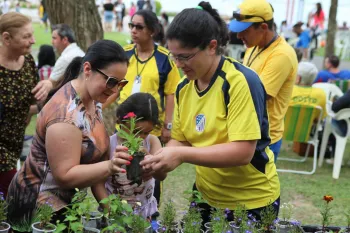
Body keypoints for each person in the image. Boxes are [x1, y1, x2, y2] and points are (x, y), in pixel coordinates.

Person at [141, 1, 280, 222]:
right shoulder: (183, 87)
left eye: (185, 57)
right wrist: (159, 161)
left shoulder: (239, 81)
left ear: (212, 46)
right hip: (206, 195)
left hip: (250, 201)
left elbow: (243, 152)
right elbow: (181, 140)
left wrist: (180, 155)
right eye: (173, 56)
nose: (178, 64)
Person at [7, 40, 130, 227]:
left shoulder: (92, 99)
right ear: (87, 69)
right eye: (111, 81)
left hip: (66, 206)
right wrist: (110, 166)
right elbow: (65, 175)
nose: (115, 90)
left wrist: (113, 214)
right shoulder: (65, 116)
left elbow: (95, 168)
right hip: (39, 209)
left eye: (121, 83)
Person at [103, 9, 181, 209]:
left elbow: (171, 94)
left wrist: (168, 125)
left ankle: (148, 211)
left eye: (139, 26)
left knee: (149, 173)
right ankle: (119, 208)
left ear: (153, 30)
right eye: (131, 25)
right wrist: (99, 107)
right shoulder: (125, 54)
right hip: (126, 126)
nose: (133, 30)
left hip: (150, 127)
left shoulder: (165, 59)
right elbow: (116, 86)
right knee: (120, 174)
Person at [229, 0, 298, 160]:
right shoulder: (253, 46)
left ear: (263, 27)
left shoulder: (282, 55)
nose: (239, 36)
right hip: (245, 131)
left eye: (244, 31)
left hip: (265, 139)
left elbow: (257, 95)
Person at [0, 12, 50, 197]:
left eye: (32, 34)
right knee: (16, 196)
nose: (33, 40)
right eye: (27, 36)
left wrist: (47, 85)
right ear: (7, 38)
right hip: (1, 152)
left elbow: (32, 103)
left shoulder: (28, 61)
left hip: (15, 145)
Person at [98, 93, 166, 219]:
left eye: (146, 133)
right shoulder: (109, 144)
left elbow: (162, 176)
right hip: (116, 211)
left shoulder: (152, 141)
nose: (140, 137)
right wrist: (110, 212)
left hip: (144, 211)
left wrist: (149, 158)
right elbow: (97, 182)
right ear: (121, 121)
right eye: (135, 131)